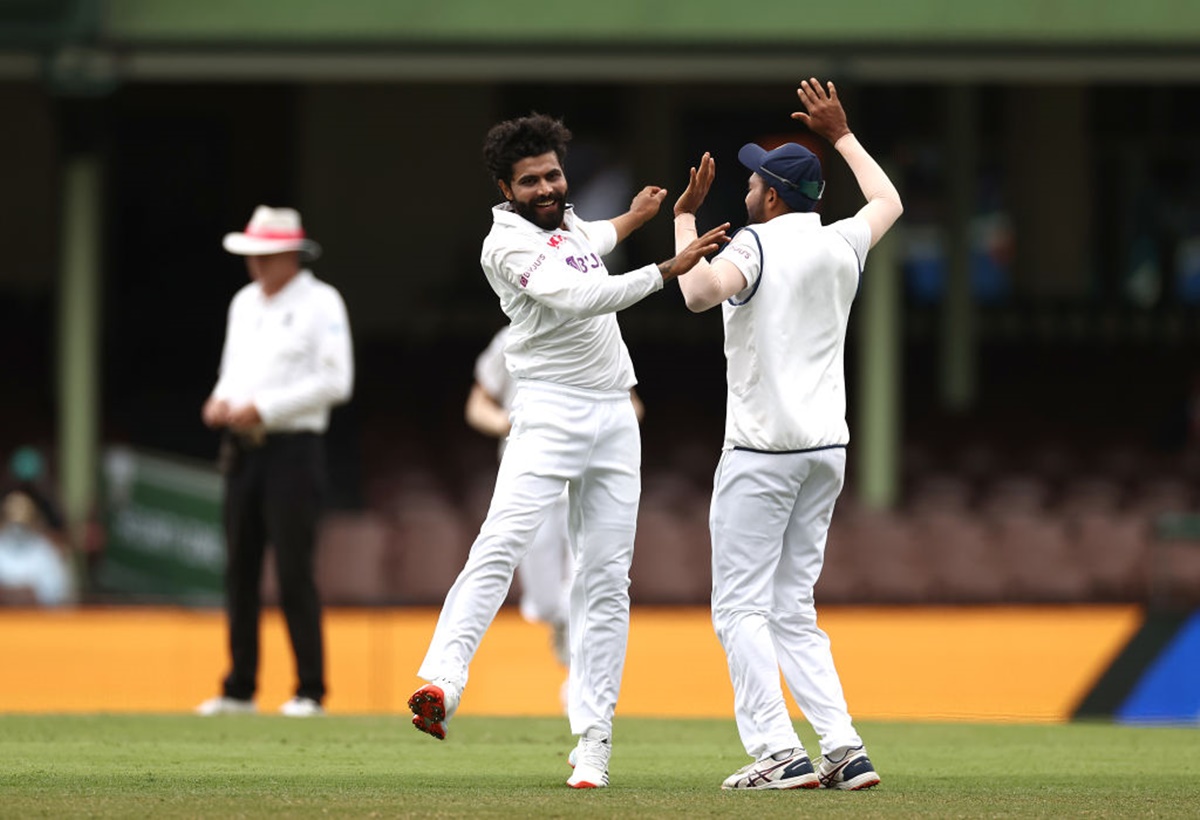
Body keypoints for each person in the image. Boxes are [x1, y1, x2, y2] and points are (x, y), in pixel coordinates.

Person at [408, 113, 727, 790]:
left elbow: (591, 242)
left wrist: (637, 219)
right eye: (532, 180)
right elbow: (582, 295)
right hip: (547, 411)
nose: (548, 187)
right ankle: (442, 682)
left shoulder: (569, 223)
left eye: (553, 173)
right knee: (500, 542)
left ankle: (594, 746)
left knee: (607, 581)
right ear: (506, 187)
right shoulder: (505, 247)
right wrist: (668, 269)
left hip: (615, 412)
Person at [671, 78, 903, 791]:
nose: (745, 189)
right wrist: (842, 135)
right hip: (826, 450)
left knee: (739, 606)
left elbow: (694, 292)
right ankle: (843, 747)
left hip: (762, 450)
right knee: (792, 606)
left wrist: (683, 219)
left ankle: (778, 750)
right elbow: (889, 201)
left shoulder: (758, 244)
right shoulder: (841, 243)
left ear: (772, 196)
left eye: (751, 182)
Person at [195, 205, 354, 718]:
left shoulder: (321, 301)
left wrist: (264, 408)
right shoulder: (244, 303)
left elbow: (336, 382)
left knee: (293, 570)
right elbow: (232, 369)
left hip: (293, 450)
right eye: (251, 255)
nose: (254, 266)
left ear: (290, 254)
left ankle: (310, 689)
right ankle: (240, 687)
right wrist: (220, 401)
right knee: (239, 568)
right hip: (243, 451)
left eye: (263, 255)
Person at [465, 325, 646, 701]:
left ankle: (582, 685)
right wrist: (508, 424)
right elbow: (477, 404)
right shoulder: (510, 338)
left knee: (592, 583)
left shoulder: (597, 327)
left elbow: (632, 405)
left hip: (590, 482)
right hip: (532, 481)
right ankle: (568, 628)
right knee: (546, 601)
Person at [0, 490, 74, 606]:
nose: (17, 530)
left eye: (21, 525)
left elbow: (58, 594)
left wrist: (30, 594)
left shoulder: (46, 552)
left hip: (37, 621)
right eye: (13, 523)